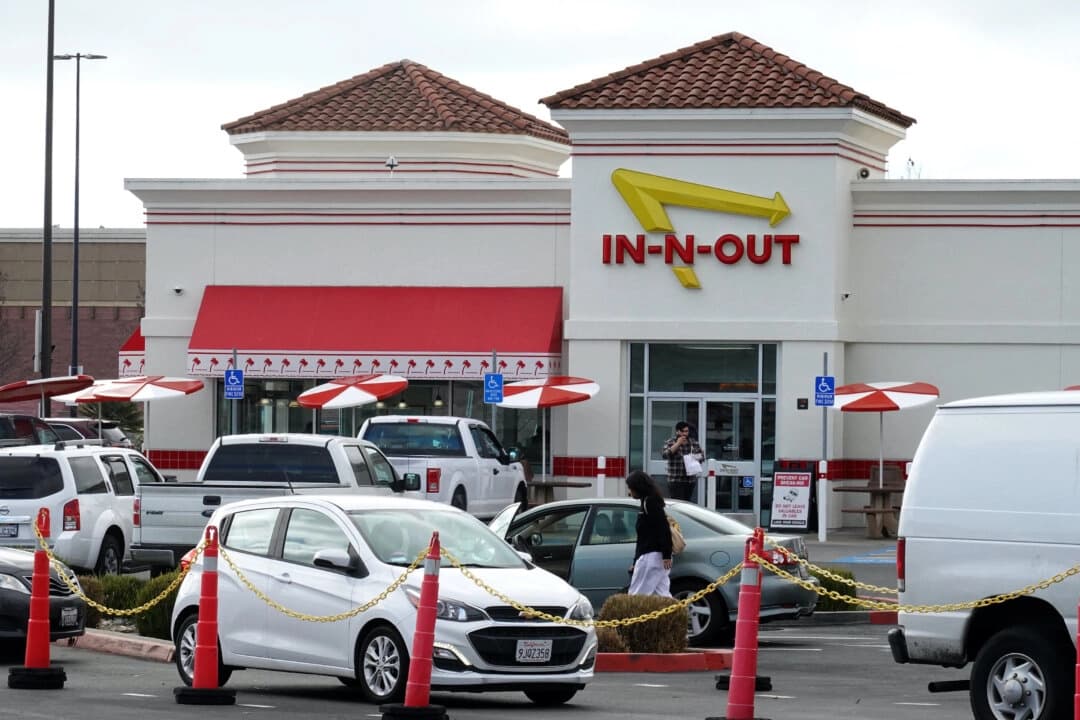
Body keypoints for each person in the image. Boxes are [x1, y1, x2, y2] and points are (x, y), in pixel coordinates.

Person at [625, 470, 672, 596]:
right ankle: (674, 610)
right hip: (656, 557)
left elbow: (663, 528)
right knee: (662, 595)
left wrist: (666, 554)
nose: (629, 492)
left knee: (637, 596)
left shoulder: (650, 503)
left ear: (638, 488)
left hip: (651, 556)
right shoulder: (649, 502)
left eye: (631, 488)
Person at [661, 421, 704, 502]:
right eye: (682, 431)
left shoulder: (693, 442)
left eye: (686, 431)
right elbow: (665, 455)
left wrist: (699, 455)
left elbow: (701, 458)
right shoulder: (670, 442)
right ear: (677, 431)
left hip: (690, 480)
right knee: (677, 503)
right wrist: (678, 443)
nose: (685, 434)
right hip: (675, 479)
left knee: (687, 503)